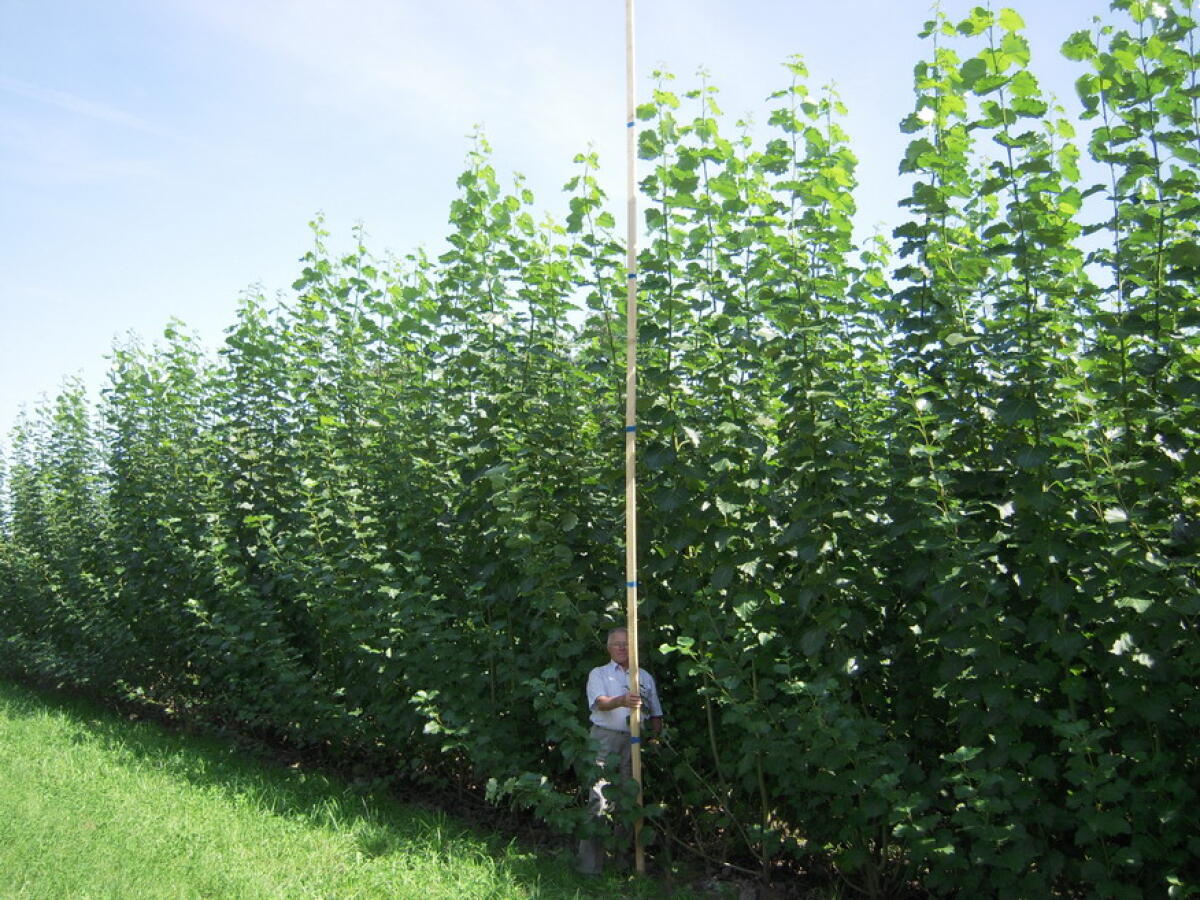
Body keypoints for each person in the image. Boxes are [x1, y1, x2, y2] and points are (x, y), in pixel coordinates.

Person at [577, 626, 664, 876]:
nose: (622, 648)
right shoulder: (599, 674)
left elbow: (656, 713)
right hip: (604, 740)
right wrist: (622, 701)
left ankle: (622, 864)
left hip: (635, 742)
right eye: (617, 644)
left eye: (627, 643)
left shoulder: (644, 677)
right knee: (599, 798)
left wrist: (656, 738)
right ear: (608, 648)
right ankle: (590, 867)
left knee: (630, 800)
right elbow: (600, 703)